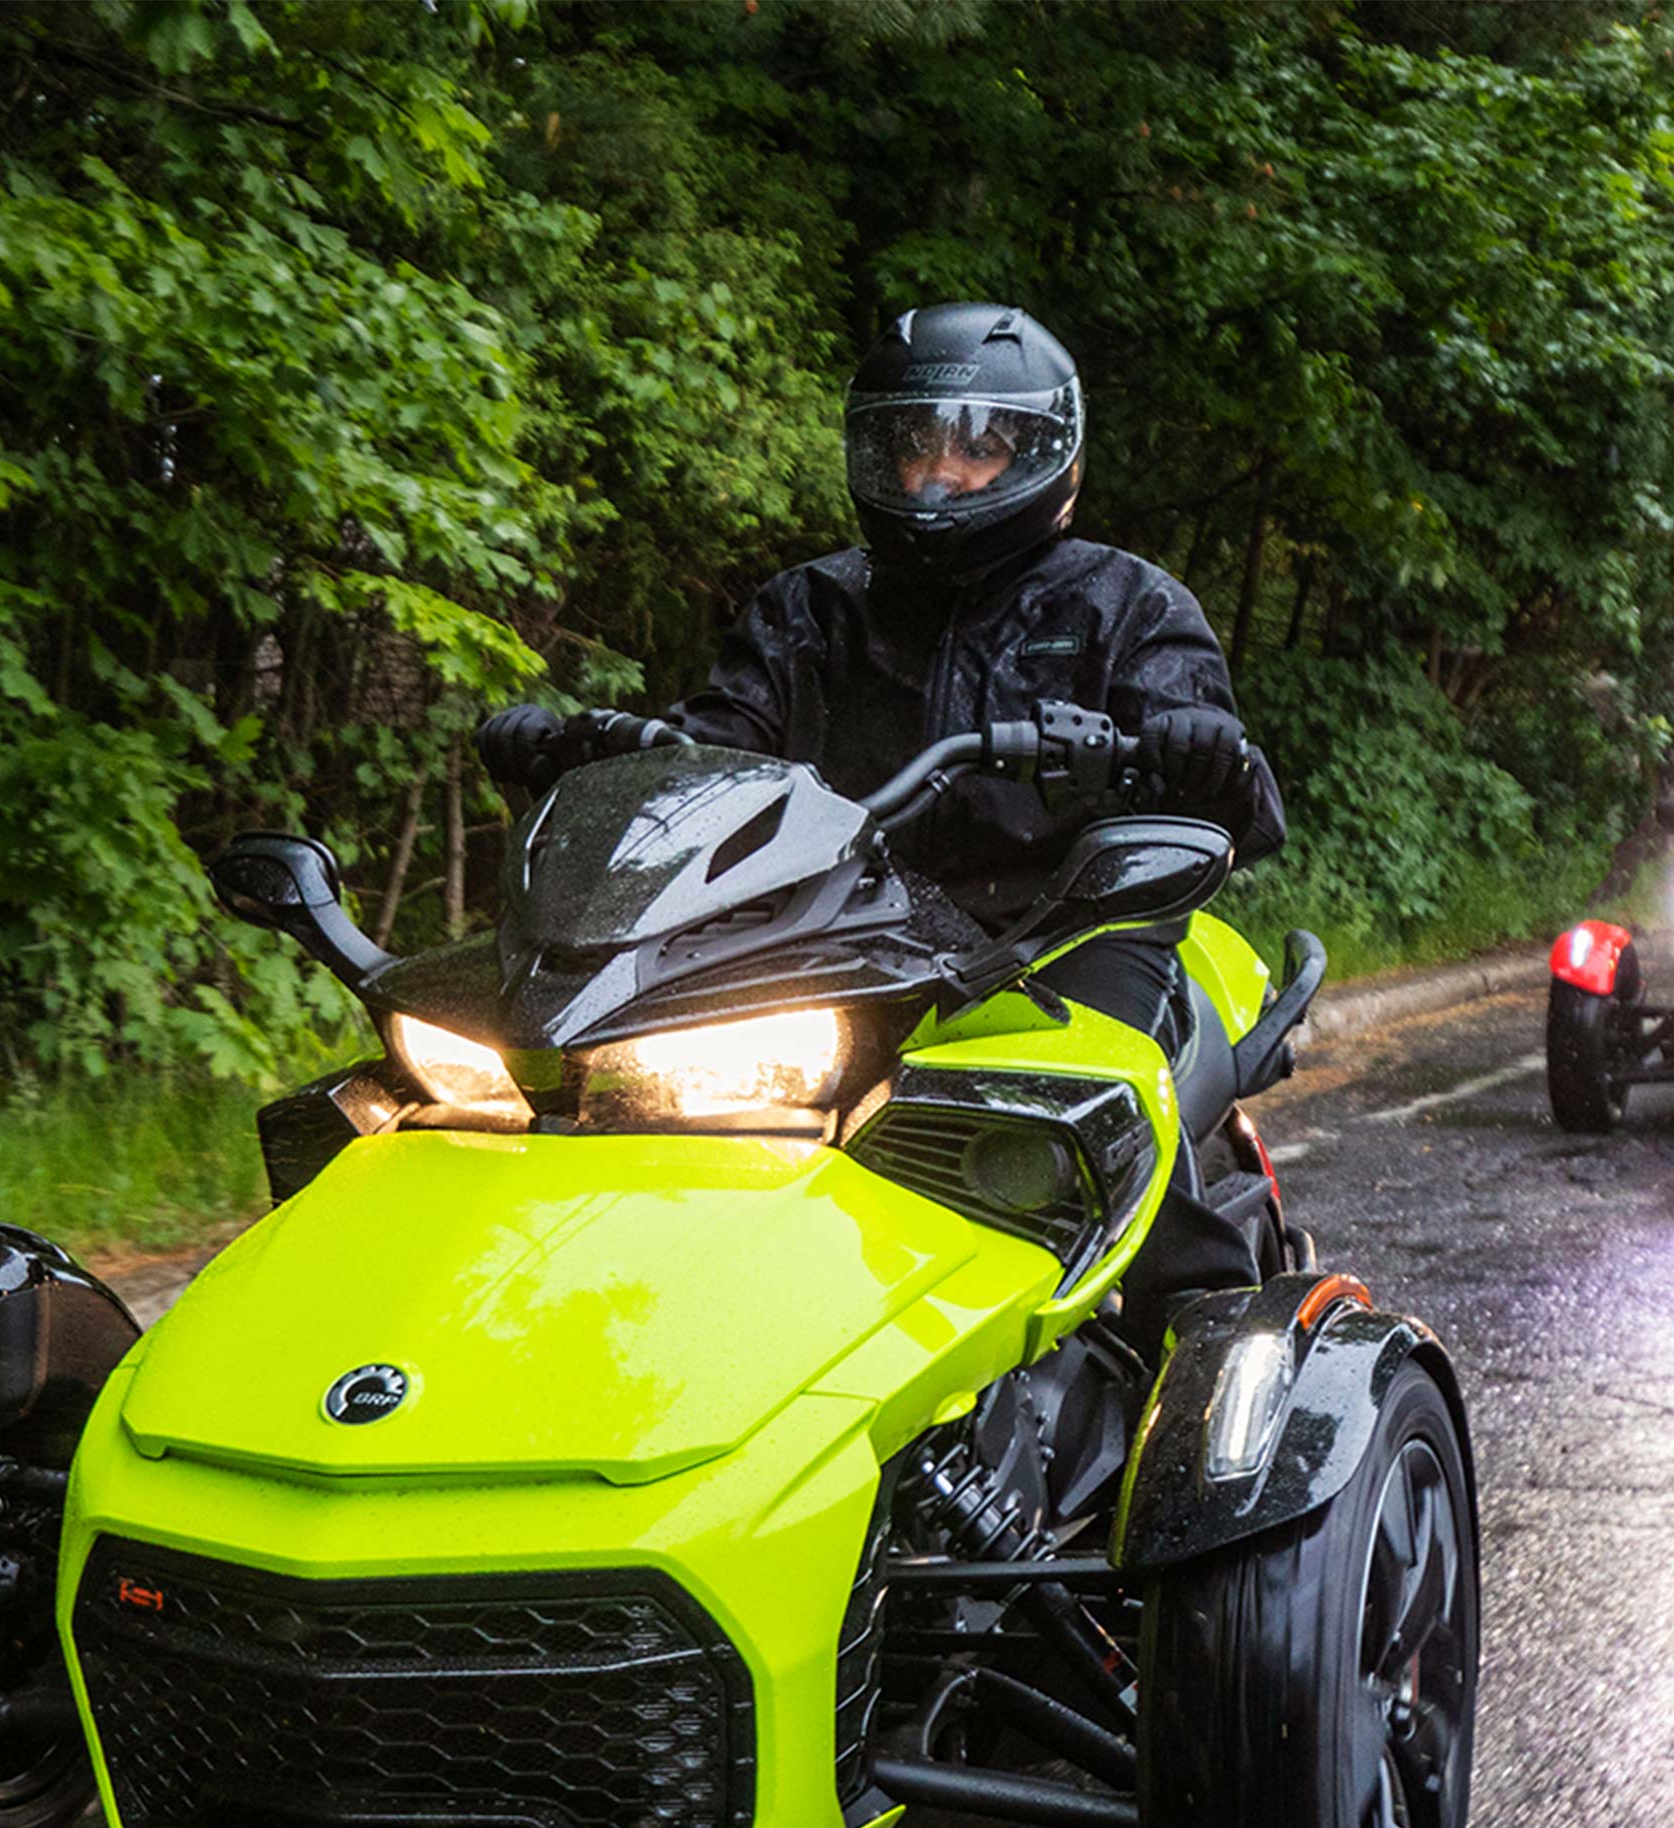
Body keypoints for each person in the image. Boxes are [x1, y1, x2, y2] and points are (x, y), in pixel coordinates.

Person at [481, 302, 1286, 1292]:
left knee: (1080, 1144)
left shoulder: (1125, 601)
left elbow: (1242, 805)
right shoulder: (810, 605)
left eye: (979, 446)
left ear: (1043, 453)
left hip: (1063, 930)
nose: (939, 472)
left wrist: (1199, 749)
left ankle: (1210, 1359)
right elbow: (715, 747)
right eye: (910, 445)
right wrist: (585, 755)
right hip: (835, 926)